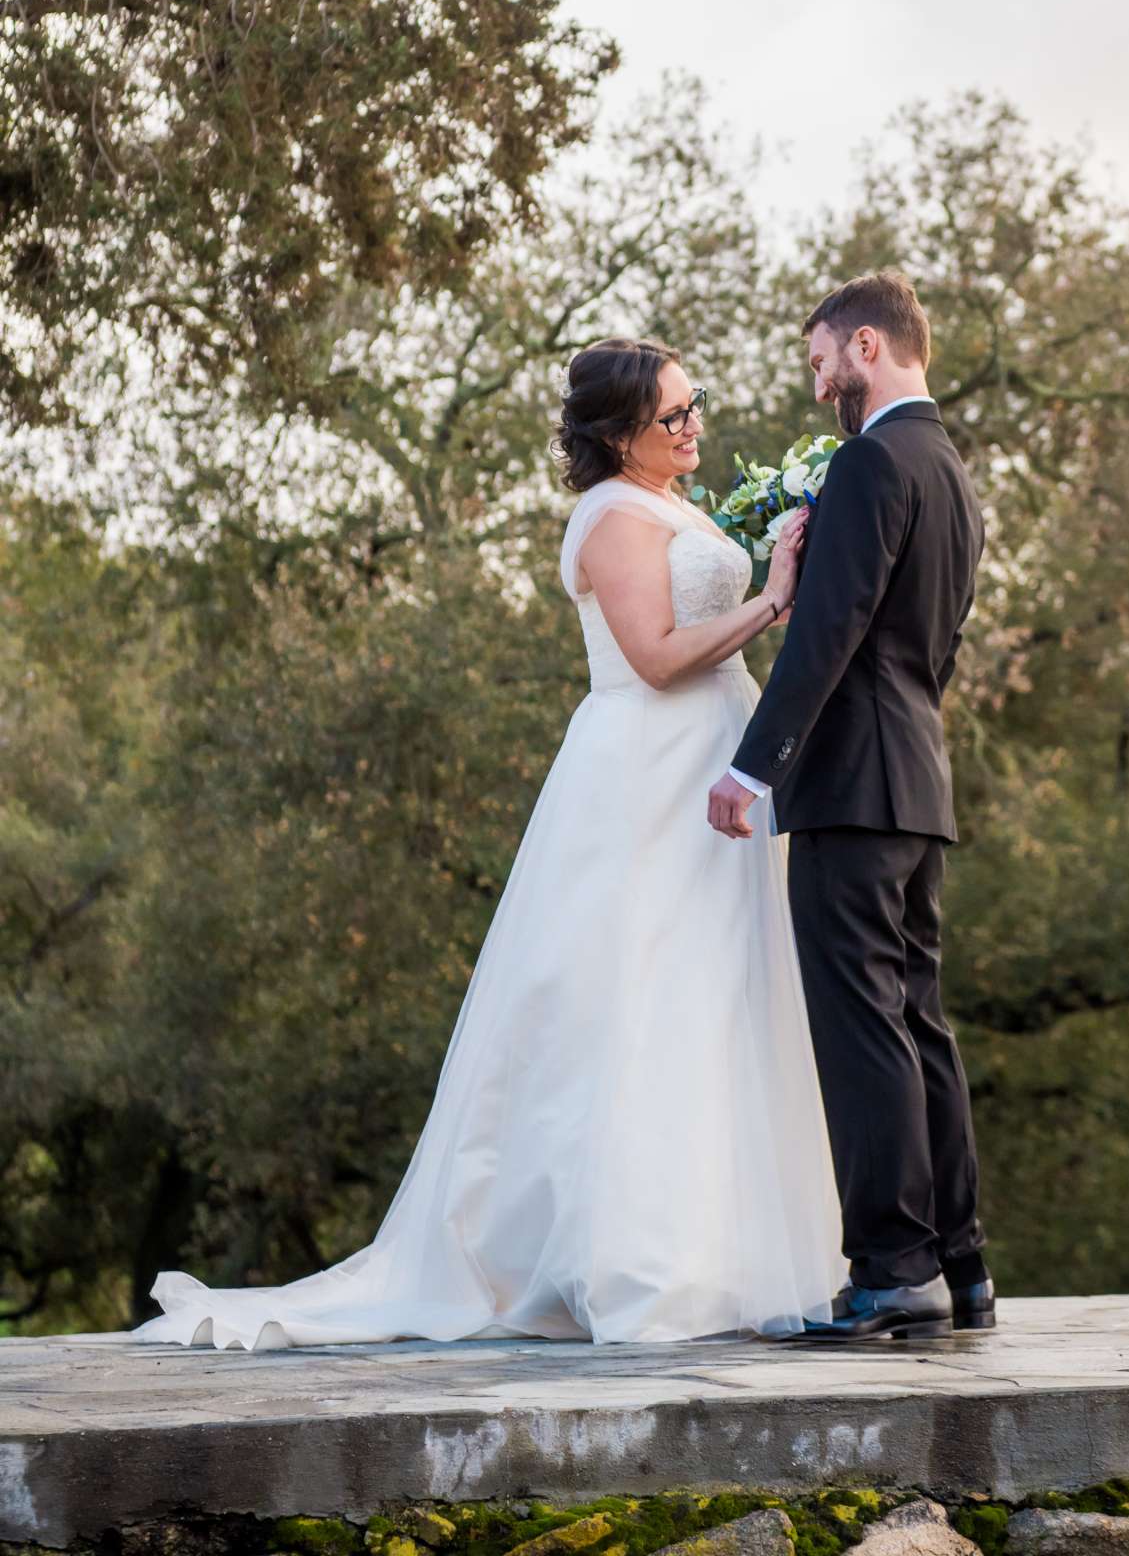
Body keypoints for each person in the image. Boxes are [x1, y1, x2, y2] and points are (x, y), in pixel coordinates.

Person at [128, 338, 841, 1349]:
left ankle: (725, 1258)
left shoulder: (675, 507)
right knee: (642, 996)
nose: (692, 428)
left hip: (715, 759)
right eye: (671, 417)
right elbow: (655, 657)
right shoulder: (609, 517)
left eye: (694, 407)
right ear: (613, 434)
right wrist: (773, 598)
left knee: (720, 991)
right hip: (649, 769)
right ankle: (633, 1263)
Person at [707, 270, 992, 1345]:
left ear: (867, 346)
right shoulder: (950, 471)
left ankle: (891, 1272)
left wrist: (753, 768)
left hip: (851, 786)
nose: (819, 379)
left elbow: (828, 633)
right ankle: (960, 1269)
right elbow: (940, 646)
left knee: (865, 1027)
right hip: (916, 781)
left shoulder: (873, 460)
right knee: (919, 1021)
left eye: (823, 359)